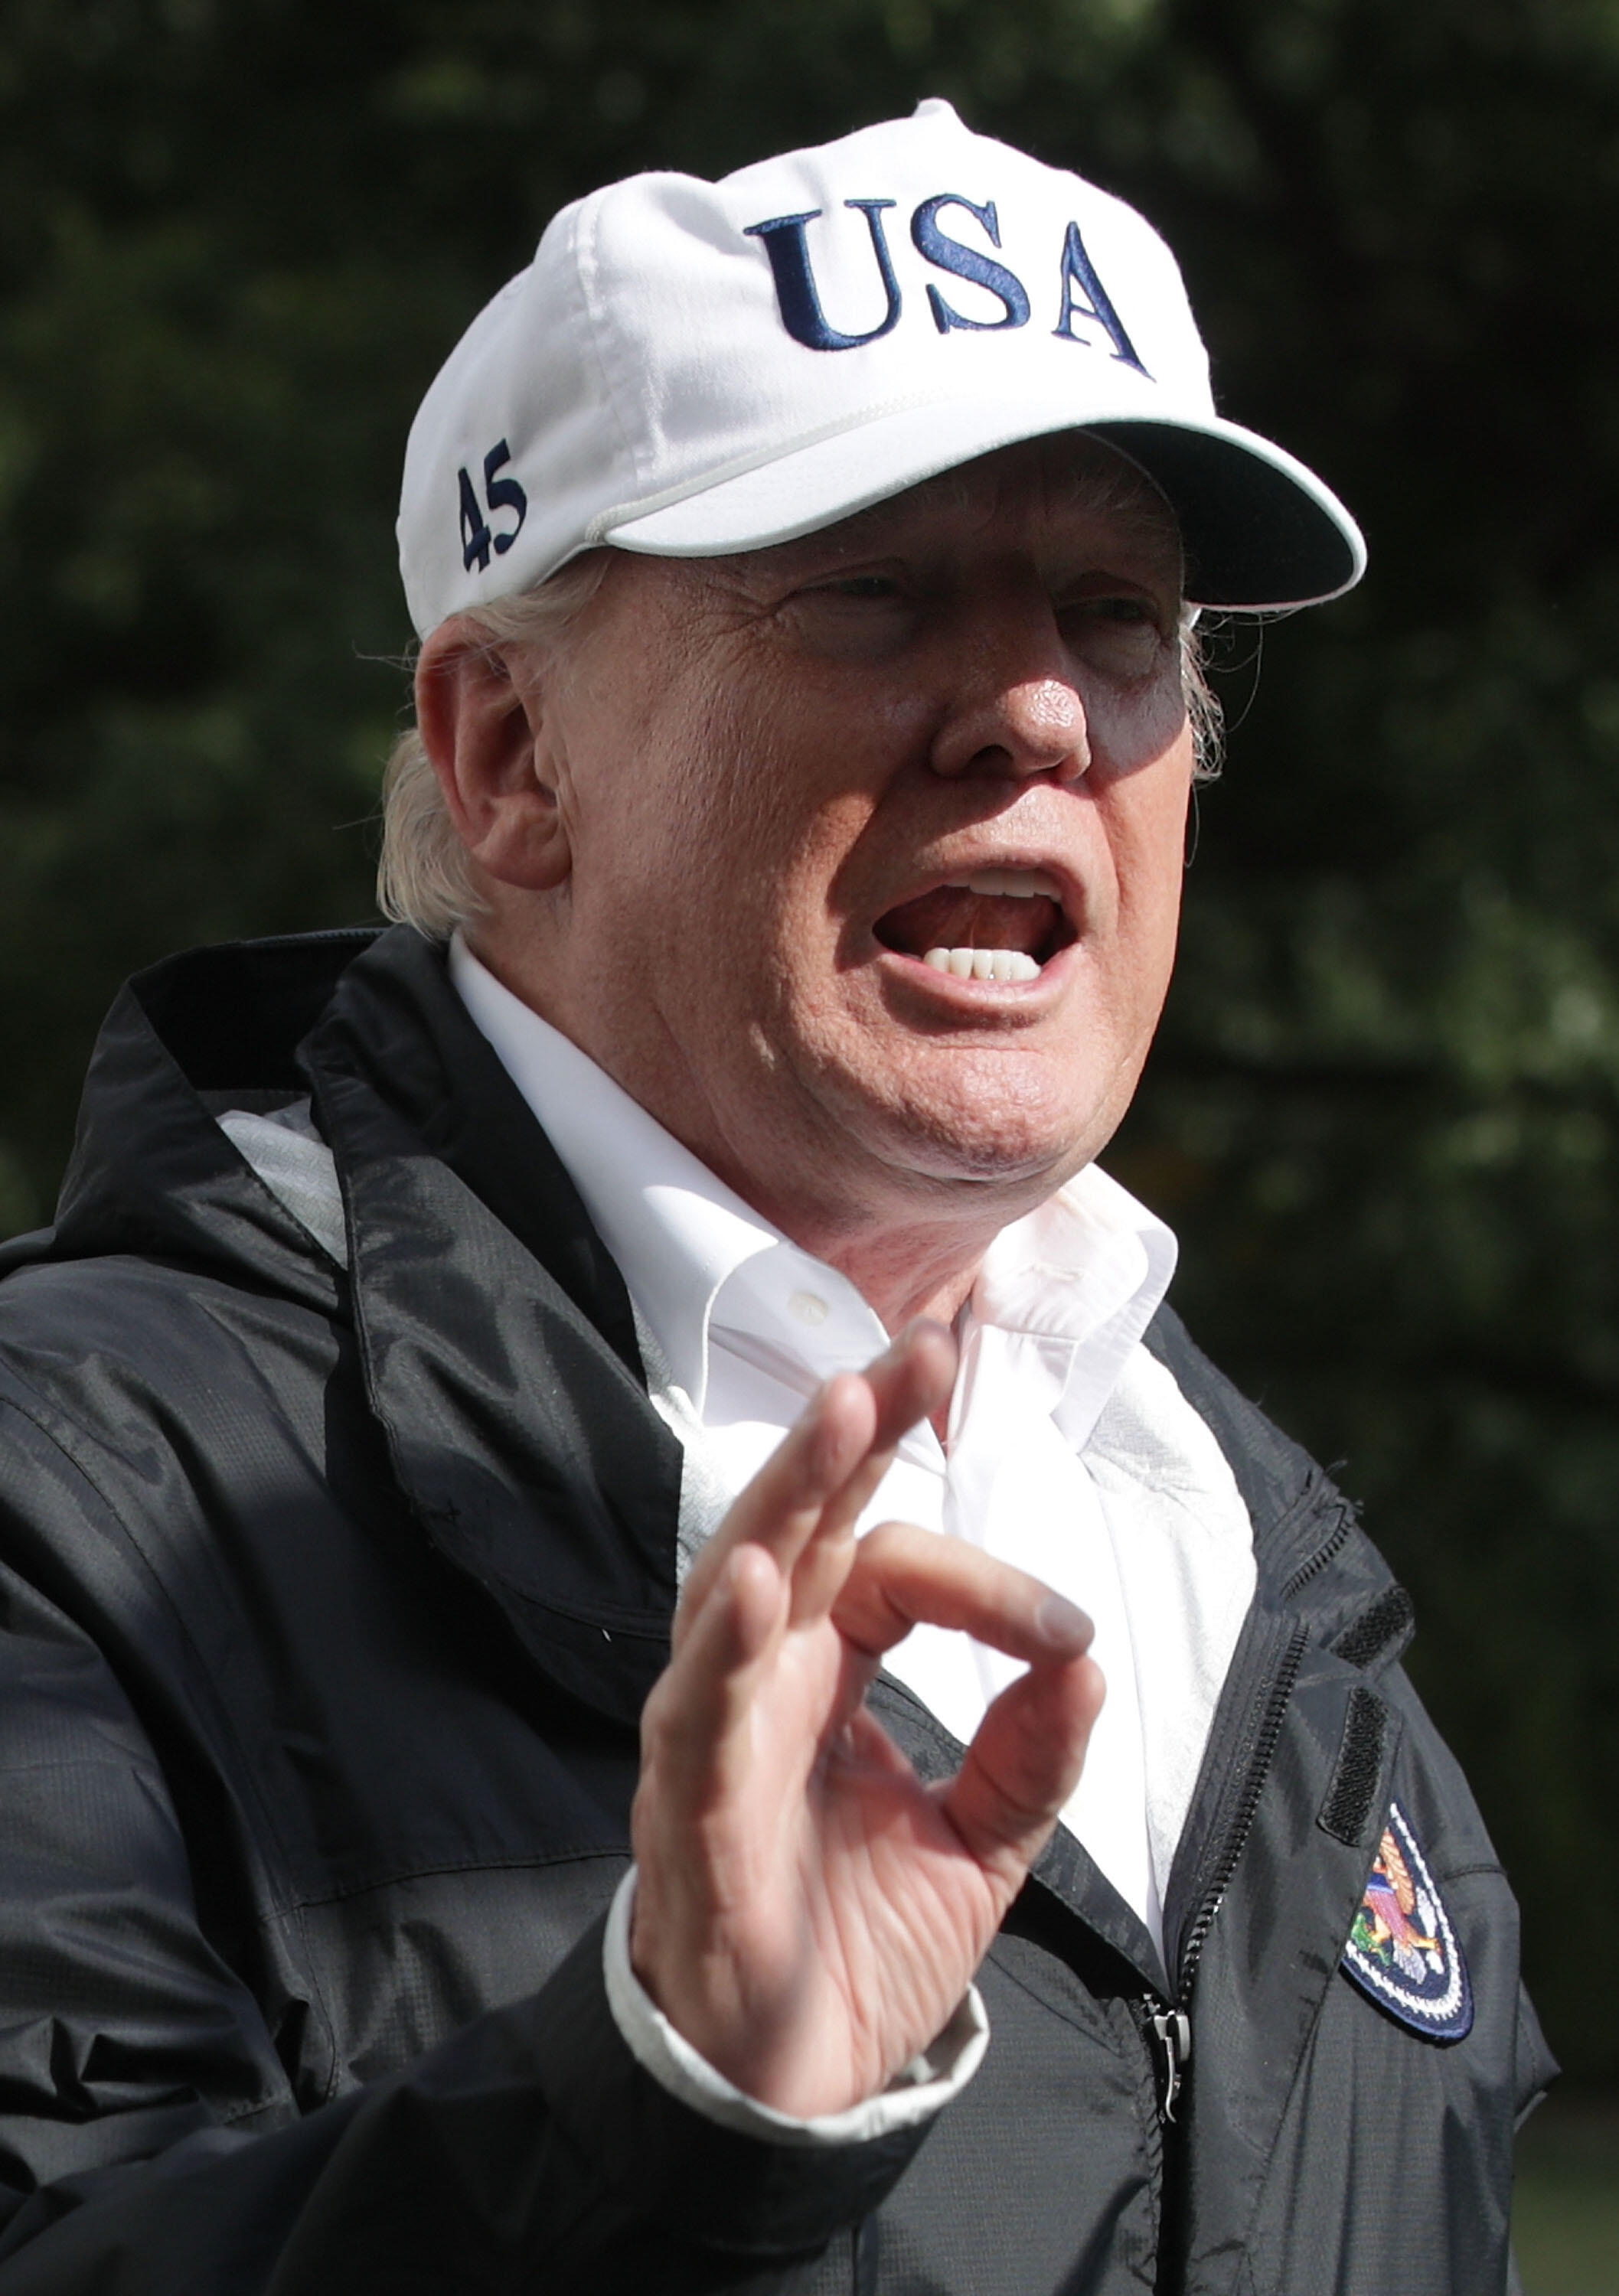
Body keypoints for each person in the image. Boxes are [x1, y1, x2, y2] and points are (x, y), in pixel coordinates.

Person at [0, 100, 1550, 2294]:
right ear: (510, 758)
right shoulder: (75, 1514)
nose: (1027, 705)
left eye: (1112, 615)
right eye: (870, 592)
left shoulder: (1259, 1573)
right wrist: (657, 2116)